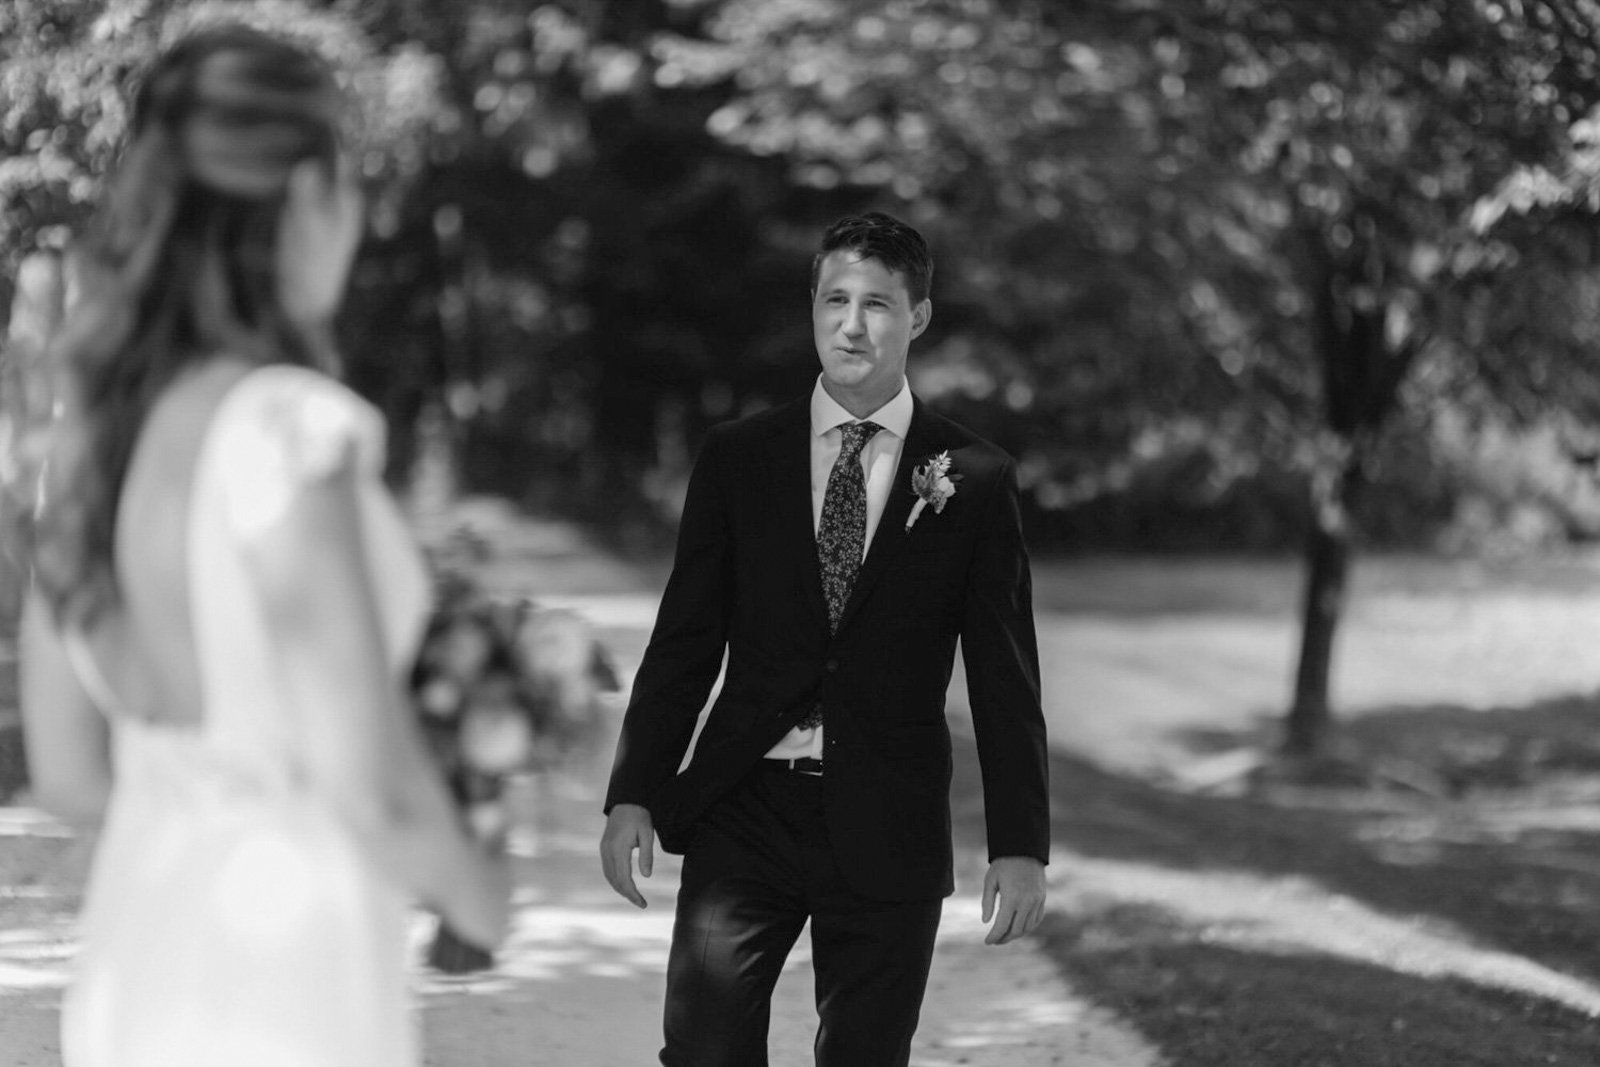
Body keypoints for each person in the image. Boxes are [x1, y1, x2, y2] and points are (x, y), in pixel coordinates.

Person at [17, 25, 509, 1067]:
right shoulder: (285, 429)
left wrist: (196, 818)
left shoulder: (99, 439)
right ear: (304, 195)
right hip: (287, 981)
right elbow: (365, 773)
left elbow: (65, 769)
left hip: (137, 958)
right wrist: (479, 889)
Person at [600, 211, 1051, 1066]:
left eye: (877, 304)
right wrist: (635, 789)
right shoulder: (739, 458)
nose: (852, 324)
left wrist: (1020, 843)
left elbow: (1004, 676)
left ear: (917, 316)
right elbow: (685, 639)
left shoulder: (975, 480)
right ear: (810, 305)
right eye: (834, 299)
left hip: (889, 817)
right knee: (701, 1049)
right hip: (745, 806)